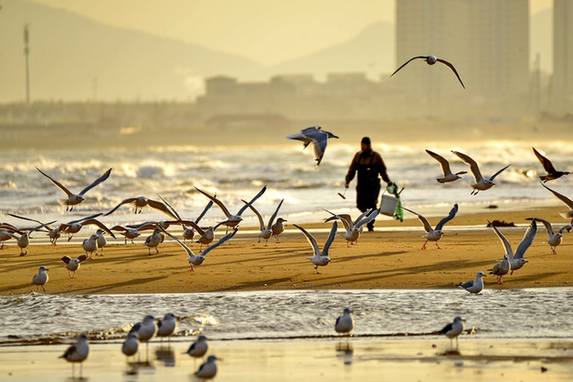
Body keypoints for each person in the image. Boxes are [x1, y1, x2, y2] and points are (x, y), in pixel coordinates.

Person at [345, 137, 393, 231]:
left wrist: (388, 182)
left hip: (373, 185)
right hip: (361, 185)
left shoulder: (376, 156)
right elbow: (352, 170)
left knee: (372, 205)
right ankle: (370, 219)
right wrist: (348, 180)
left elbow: (383, 171)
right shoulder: (358, 156)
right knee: (360, 205)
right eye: (361, 145)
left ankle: (370, 225)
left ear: (369, 145)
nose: (362, 147)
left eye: (364, 145)